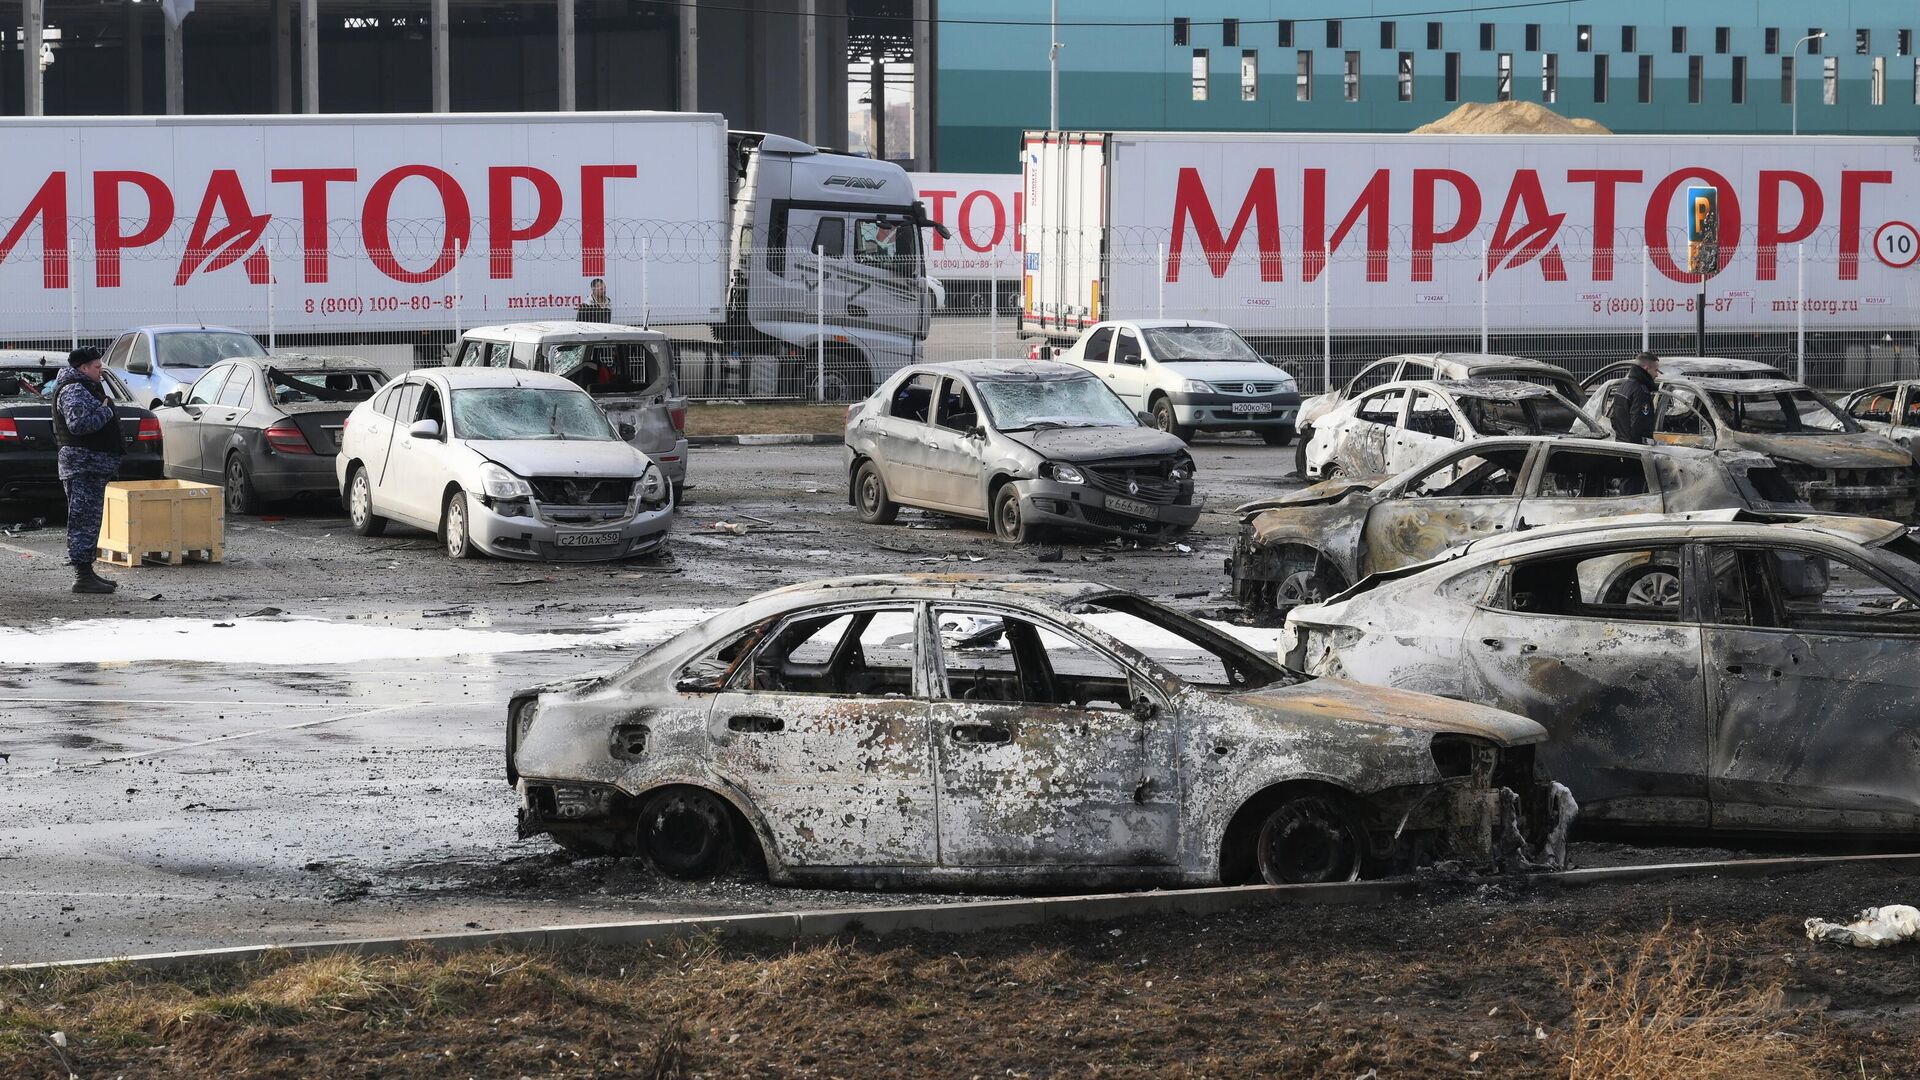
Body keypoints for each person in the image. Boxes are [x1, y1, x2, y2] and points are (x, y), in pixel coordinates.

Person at [52, 346, 122, 594]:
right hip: (82, 467)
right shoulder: (73, 390)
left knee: (91, 522)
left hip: (91, 467)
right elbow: (78, 425)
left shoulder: (84, 387)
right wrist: (105, 410)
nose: (100, 369)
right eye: (96, 366)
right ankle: (82, 576)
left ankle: (87, 573)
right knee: (82, 521)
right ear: (83, 368)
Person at [1603, 351, 1660, 445]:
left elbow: (1613, 418)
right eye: (1656, 370)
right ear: (1646, 369)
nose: (1657, 375)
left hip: (1621, 443)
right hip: (1636, 448)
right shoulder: (1641, 391)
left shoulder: (1623, 386)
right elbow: (1639, 424)